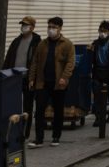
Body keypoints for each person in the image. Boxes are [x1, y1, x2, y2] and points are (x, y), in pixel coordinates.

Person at [28, 17, 75, 148]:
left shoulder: (67, 44)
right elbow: (35, 62)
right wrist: (32, 78)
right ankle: (39, 138)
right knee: (39, 111)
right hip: (42, 82)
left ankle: (56, 136)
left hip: (58, 84)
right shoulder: (42, 44)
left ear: (60, 28)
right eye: (49, 27)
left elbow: (70, 63)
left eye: (53, 27)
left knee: (58, 110)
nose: (50, 30)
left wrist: (64, 77)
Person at [3, 16, 41, 139]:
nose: (23, 27)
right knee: (13, 105)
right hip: (14, 78)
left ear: (32, 27)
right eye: (22, 24)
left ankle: (25, 132)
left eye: (26, 25)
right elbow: (8, 59)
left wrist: (34, 78)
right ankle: (13, 130)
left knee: (27, 107)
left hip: (28, 79)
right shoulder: (16, 41)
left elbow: (38, 62)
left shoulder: (37, 42)